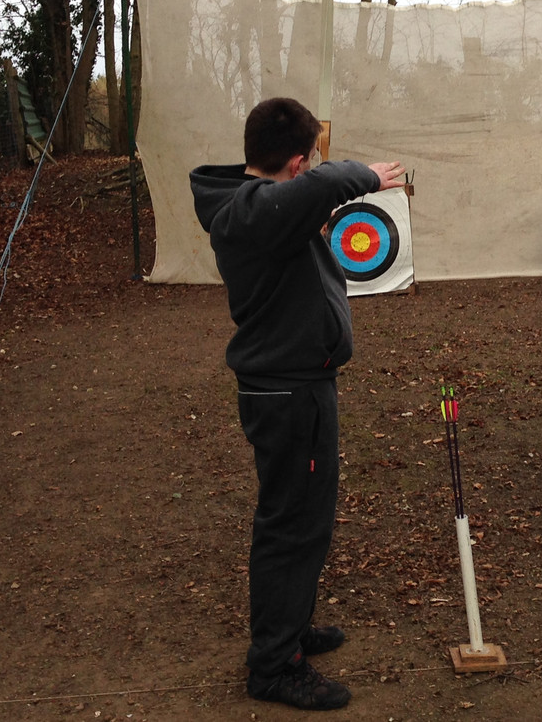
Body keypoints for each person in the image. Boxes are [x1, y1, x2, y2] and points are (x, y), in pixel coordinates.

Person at [189, 97, 404, 710]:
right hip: (286, 392)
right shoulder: (253, 212)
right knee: (290, 525)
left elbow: (313, 188)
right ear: (296, 162)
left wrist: (320, 174)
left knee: (305, 517)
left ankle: (292, 625)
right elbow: (329, 183)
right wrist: (364, 175)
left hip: (296, 384)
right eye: (307, 165)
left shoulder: (264, 206)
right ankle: (274, 665)